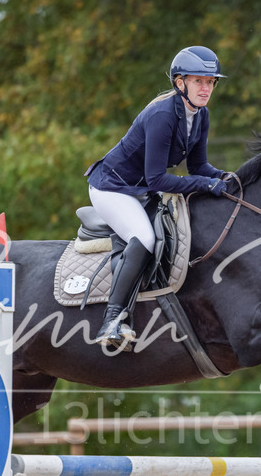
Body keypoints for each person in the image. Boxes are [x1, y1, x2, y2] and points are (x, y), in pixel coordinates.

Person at [84, 46, 230, 347]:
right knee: (145, 238)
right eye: (198, 81)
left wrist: (225, 177)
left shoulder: (201, 115)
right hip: (112, 187)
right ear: (181, 83)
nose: (206, 88)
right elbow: (158, 179)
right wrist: (204, 185)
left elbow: (198, 166)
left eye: (210, 82)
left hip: (140, 189)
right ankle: (112, 319)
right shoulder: (162, 115)